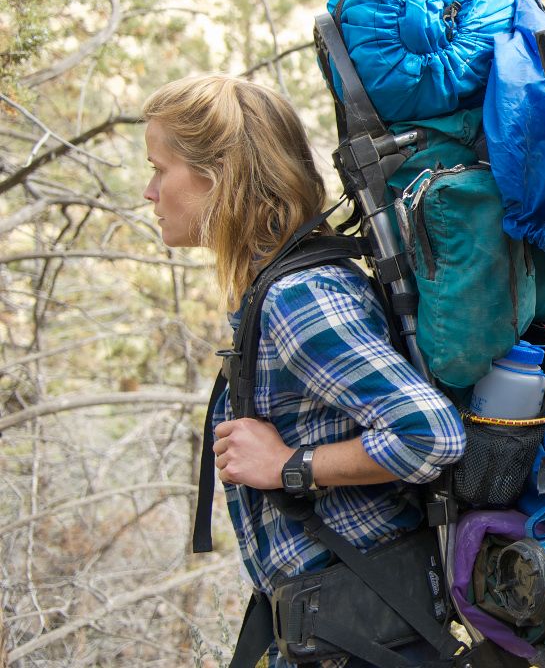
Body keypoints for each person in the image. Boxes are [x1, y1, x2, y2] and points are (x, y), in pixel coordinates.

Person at [143, 75, 466, 668]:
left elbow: (431, 436)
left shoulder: (300, 297)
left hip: (371, 642)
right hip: (346, 633)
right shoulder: (281, 289)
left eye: (160, 169)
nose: (149, 191)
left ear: (217, 175)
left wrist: (288, 466)